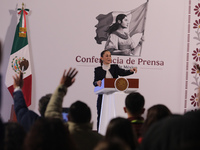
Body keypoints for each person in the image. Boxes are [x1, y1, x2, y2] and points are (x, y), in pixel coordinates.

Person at [45, 67, 103, 150]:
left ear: (68, 117)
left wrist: (62, 86)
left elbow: (51, 112)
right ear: (90, 118)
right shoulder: (101, 141)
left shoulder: (62, 135)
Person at [93, 50, 137, 131]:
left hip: (114, 96)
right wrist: (97, 82)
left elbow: (123, 72)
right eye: (106, 56)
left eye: (110, 56)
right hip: (103, 97)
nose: (109, 57)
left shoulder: (115, 67)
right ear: (101, 58)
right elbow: (95, 82)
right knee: (101, 115)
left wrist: (131, 71)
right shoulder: (98, 69)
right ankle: (100, 132)